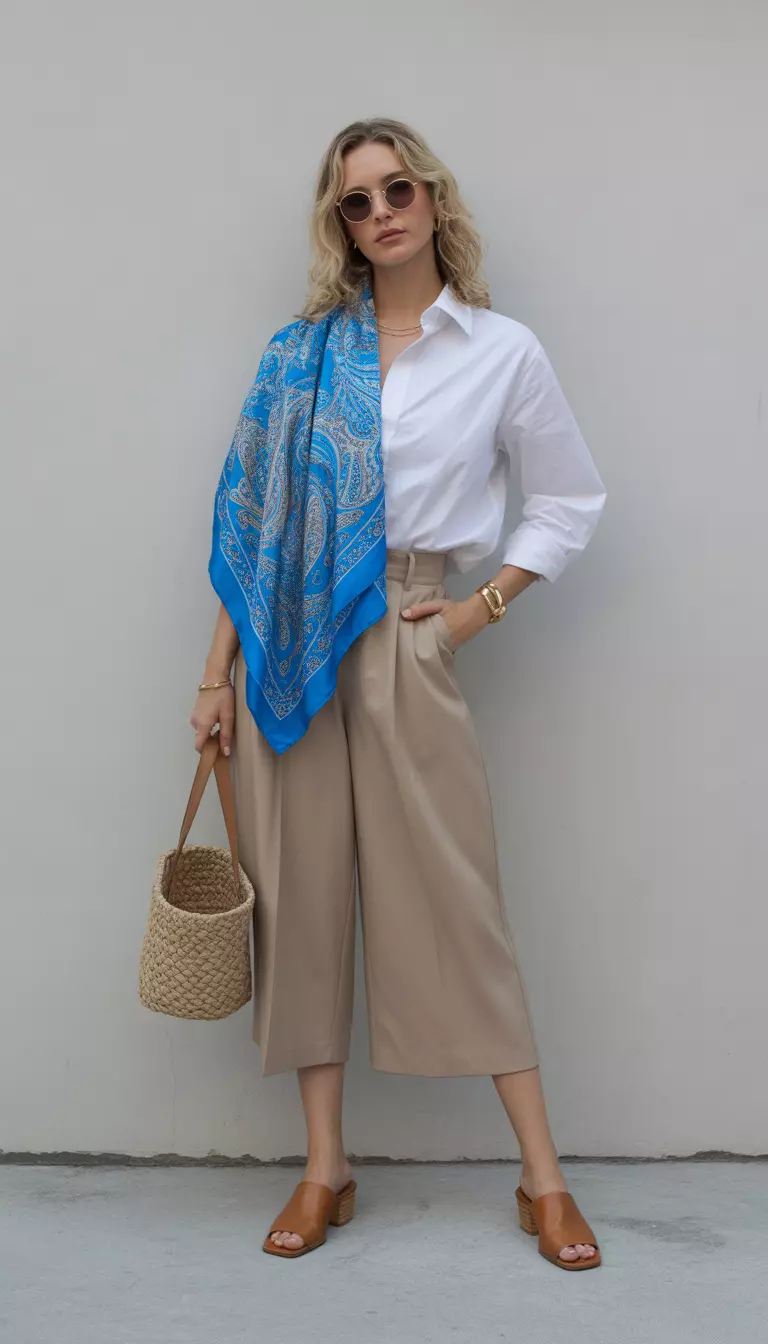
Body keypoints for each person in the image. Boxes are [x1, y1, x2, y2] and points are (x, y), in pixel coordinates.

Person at [191, 117, 607, 1269]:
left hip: (412, 632)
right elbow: (256, 525)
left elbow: (568, 500)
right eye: (356, 204)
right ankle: (326, 1170)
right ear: (341, 227)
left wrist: (480, 610)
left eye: (396, 190)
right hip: (289, 646)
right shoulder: (299, 352)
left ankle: (543, 1179)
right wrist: (214, 676)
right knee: (304, 904)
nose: (381, 215)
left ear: (432, 197)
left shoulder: (500, 351)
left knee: (458, 905)